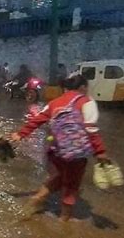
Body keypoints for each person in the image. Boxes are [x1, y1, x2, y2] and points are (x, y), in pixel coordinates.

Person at [11, 75, 108, 222]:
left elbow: (37, 120)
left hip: (56, 151)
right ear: (83, 87)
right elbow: (91, 129)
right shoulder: (87, 102)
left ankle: (37, 198)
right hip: (76, 154)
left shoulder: (55, 102)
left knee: (60, 177)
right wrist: (100, 152)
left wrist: (20, 134)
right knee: (71, 186)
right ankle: (64, 220)